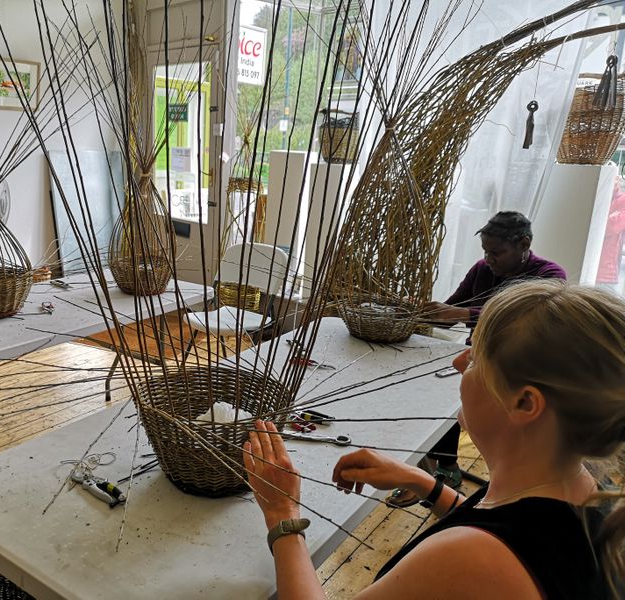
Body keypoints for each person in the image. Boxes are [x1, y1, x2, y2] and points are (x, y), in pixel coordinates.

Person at [243, 280, 623, 599]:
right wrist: (422, 482)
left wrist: (282, 513)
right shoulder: (584, 492)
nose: (459, 362)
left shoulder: (474, 559)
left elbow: (487, 552)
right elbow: (506, 530)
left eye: (476, 359)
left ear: (524, 403)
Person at [387, 210, 566, 507]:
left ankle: (505, 484)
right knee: (440, 393)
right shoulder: (482, 270)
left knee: (480, 412)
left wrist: (463, 314)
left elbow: (524, 319)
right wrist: (426, 310)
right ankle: (444, 468)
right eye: (485, 251)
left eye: (497, 252)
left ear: (524, 243)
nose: (489, 258)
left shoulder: (550, 275)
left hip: (523, 367)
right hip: (478, 357)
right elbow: (449, 315)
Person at [596, 176, 625, 295]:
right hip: (589, 265)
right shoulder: (598, 197)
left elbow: (610, 227)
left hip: (606, 272)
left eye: (614, 179)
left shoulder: (622, 200)